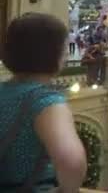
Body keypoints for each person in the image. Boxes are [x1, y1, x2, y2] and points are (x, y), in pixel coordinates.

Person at [0, 13, 87, 191]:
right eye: (64, 50)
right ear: (52, 54)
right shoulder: (47, 103)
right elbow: (72, 162)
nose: (67, 56)